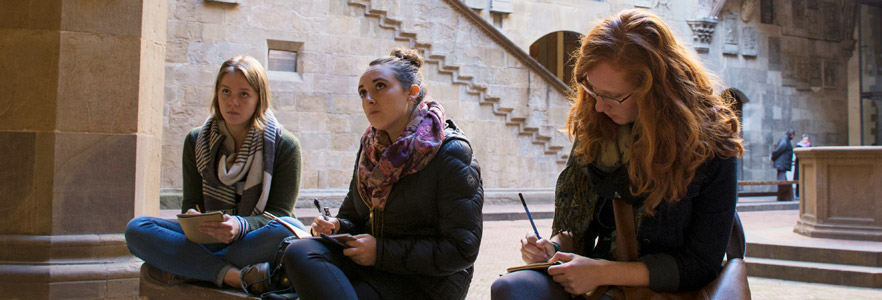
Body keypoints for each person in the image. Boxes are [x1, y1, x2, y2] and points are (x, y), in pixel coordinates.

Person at [491, 9, 744, 298]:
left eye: (611, 96)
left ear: (656, 90)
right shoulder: (597, 124)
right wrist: (553, 248)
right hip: (595, 276)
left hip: (668, 288)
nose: (598, 106)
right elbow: (576, 231)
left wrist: (601, 272)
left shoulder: (711, 140)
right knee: (509, 289)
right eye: (592, 90)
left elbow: (701, 265)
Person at [282, 48, 483, 300]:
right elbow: (353, 215)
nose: (369, 98)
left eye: (380, 86)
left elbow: (461, 250)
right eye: (363, 92)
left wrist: (381, 252)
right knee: (299, 251)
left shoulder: (450, 152)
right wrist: (336, 226)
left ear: (413, 93)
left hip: (427, 284)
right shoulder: (370, 147)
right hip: (373, 268)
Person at [125, 55, 305, 294]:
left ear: (259, 98)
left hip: (253, 239)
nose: (233, 102)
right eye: (226, 92)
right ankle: (236, 276)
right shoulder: (196, 141)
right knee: (137, 229)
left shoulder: (284, 145)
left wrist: (239, 226)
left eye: (244, 94)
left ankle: (191, 266)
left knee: (289, 228)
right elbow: (192, 205)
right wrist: (193, 219)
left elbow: (280, 214)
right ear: (216, 94)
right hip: (208, 237)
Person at [794, 134, 811, 199]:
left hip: (807, 165)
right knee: (799, 179)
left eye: (807, 139)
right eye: (804, 139)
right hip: (799, 165)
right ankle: (798, 194)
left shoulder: (809, 146)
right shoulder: (798, 146)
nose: (806, 141)